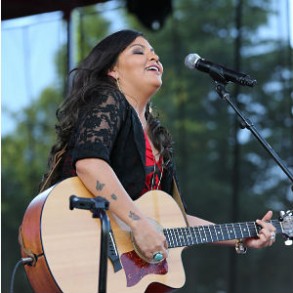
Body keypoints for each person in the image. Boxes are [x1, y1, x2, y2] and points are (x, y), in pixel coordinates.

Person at [40, 29, 276, 271]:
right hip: (84, 247)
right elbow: (90, 164)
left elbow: (175, 221)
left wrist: (241, 236)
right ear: (112, 70)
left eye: (155, 54)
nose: (154, 58)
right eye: (139, 51)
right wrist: (139, 224)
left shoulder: (157, 137)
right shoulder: (109, 100)